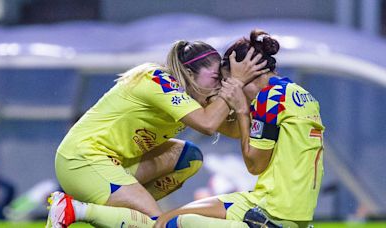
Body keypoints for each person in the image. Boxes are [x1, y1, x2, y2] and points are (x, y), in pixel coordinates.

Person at [46, 40, 268, 228]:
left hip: (115, 164)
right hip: (83, 160)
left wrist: (245, 106)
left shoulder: (192, 96)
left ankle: (126, 215)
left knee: (189, 159)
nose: (220, 86)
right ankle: (74, 209)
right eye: (215, 78)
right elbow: (208, 124)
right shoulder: (157, 79)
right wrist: (236, 82)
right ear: (189, 74)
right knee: (158, 223)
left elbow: (233, 130)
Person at [154, 29, 325, 228]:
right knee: (172, 214)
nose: (229, 89)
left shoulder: (268, 99)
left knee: (173, 223)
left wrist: (242, 111)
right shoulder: (298, 94)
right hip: (290, 212)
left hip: (270, 211)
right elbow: (239, 132)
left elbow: (255, 165)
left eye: (228, 81)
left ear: (249, 74)